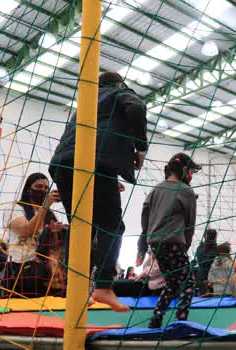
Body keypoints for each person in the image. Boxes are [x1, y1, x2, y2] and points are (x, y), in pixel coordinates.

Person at [49, 72, 148, 312]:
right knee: (112, 225)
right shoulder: (118, 91)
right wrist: (140, 147)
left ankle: (77, 288)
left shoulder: (86, 102)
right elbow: (137, 107)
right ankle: (103, 286)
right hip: (94, 161)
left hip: (62, 165)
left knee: (83, 226)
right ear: (119, 83)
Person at [137, 152, 200, 328]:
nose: (190, 177)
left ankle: (155, 320)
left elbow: (145, 219)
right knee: (188, 283)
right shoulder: (186, 191)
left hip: (155, 243)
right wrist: (185, 245)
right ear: (183, 170)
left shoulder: (156, 189)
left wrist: (143, 246)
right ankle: (181, 322)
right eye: (191, 172)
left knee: (172, 283)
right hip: (174, 241)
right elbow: (190, 223)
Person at [3, 173, 64, 298]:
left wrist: (56, 231)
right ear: (28, 189)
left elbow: (55, 243)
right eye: (39, 186)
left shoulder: (49, 213)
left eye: (46, 188)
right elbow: (27, 231)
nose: (43, 190)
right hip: (20, 269)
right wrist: (45, 206)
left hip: (45, 269)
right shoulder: (15, 208)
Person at [194, 228, 218, 296]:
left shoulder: (200, 248)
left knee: (203, 296)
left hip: (200, 276)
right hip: (212, 277)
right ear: (215, 236)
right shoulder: (216, 249)